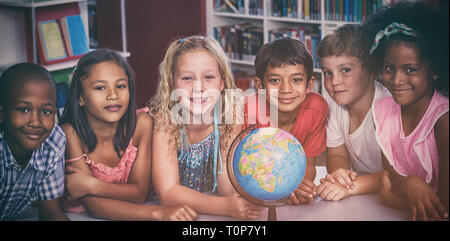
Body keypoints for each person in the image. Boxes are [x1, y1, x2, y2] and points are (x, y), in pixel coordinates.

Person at [60, 49, 197, 221]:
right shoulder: (70, 133)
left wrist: (92, 185)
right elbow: (93, 205)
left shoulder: (141, 124)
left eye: (121, 86)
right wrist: (158, 213)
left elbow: (139, 193)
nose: (113, 95)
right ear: (80, 97)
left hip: (130, 211)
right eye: (100, 87)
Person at [149, 35, 264, 219]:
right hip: (170, 212)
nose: (198, 87)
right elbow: (168, 192)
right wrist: (226, 206)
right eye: (187, 78)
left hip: (208, 210)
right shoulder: (165, 122)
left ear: (221, 83)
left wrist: (242, 199)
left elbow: (226, 184)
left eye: (208, 77)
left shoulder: (229, 116)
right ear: (171, 84)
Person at [363, 1, 449, 221]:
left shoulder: (443, 119)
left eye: (410, 69)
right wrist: (409, 184)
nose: (397, 80)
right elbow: (390, 175)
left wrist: (392, 198)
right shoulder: (382, 111)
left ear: (435, 71)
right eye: (389, 68)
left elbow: (444, 207)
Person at [244, 38, 328, 205]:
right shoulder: (247, 111)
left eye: (296, 80)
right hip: (252, 193)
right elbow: (240, 169)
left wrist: (298, 187)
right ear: (260, 85)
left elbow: (308, 166)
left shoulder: (316, 109)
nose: (286, 89)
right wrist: (284, 188)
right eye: (275, 80)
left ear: (309, 84)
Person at [314, 24, 391, 201]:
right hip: (363, 192)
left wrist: (350, 187)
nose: (335, 81)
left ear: (371, 71)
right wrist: (340, 175)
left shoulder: (387, 108)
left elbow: (396, 174)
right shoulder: (332, 103)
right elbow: (337, 154)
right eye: (327, 73)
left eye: (345, 70)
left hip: (391, 190)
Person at [0, 63, 69, 221]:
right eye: (24, 109)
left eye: (46, 111)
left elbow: (50, 212)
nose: (36, 122)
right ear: (1, 114)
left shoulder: (54, 141)